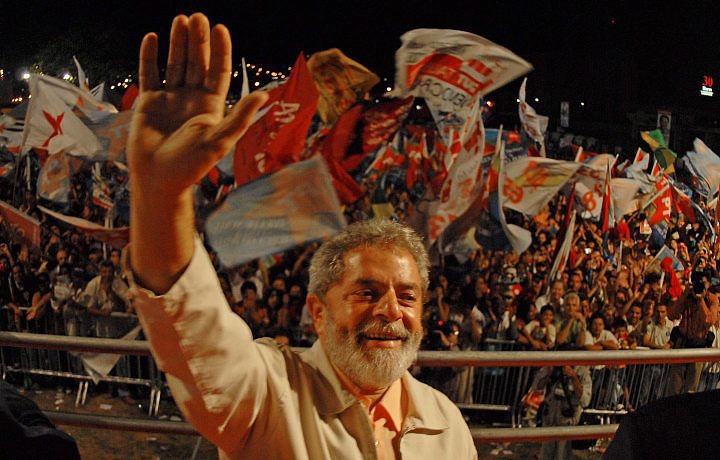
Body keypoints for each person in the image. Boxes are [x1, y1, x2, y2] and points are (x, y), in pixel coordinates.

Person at [125, 13, 476, 459]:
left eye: (408, 296)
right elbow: (195, 332)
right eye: (366, 292)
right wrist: (161, 197)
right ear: (318, 312)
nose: (391, 310)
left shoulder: (447, 426)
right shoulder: (268, 394)